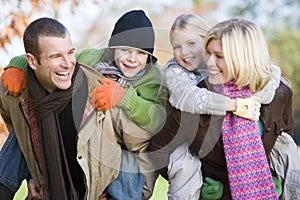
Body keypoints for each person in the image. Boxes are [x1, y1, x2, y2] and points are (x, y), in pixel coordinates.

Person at [0, 10, 168, 199]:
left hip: (125, 149)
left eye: (141, 53)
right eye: (125, 50)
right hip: (89, 137)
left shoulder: (153, 78)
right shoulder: (92, 58)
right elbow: (54, 59)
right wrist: (17, 65)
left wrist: (126, 98)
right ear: (112, 48)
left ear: (149, 57)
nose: (132, 58)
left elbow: (157, 120)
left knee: (127, 162)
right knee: (22, 135)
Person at [148, 18, 296, 199]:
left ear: (243, 56)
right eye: (208, 53)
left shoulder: (279, 93)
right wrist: (198, 185)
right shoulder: (193, 102)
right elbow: (158, 150)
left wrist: (273, 176)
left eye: (218, 56)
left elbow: (283, 139)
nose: (209, 62)